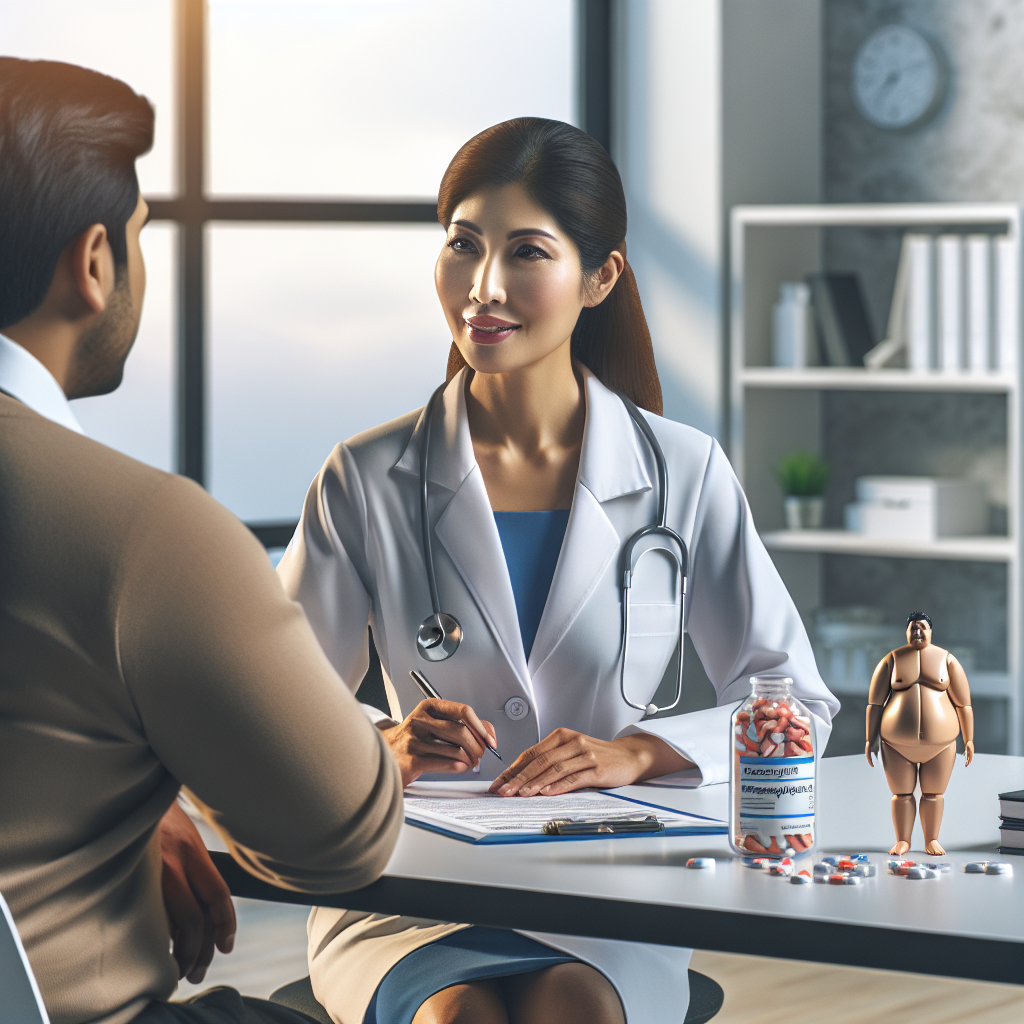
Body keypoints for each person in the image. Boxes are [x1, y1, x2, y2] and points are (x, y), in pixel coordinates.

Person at [279, 118, 840, 1024]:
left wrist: (638, 752)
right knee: (456, 1016)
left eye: (526, 252)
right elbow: (269, 704)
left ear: (601, 276)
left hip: (606, 879)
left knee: (573, 1010)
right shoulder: (365, 477)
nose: (484, 287)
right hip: (409, 885)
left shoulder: (682, 472)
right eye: (463, 244)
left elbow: (793, 698)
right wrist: (373, 747)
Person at [0, 57, 404, 1024]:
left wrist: (125, 805)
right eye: (141, 239)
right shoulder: (142, 532)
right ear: (93, 263)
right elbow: (340, 839)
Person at [865, 612, 974, 857]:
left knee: (934, 794)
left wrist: (969, 739)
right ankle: (903, 840)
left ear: (931, 630)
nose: (917, 632)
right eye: (913, 628)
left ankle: (931, 839)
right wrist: (869, 739)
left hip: (942, 744)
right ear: (906, 631)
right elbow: (874, 704)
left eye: (922, 627)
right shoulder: (891, 660)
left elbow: (963, 704)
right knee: (901, 794)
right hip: (895, 744)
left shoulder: (947, 660)